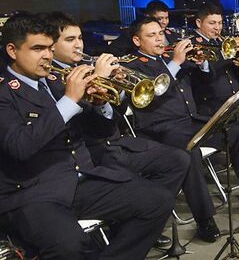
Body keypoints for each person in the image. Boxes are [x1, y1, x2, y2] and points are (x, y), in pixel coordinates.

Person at [0, 13, 173, 259]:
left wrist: (101, 102)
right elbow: (20, 146)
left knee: (158, 201)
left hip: (77, 180)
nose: (47, 56)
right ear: (12, 50)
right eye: (37, 48)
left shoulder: (54, 81)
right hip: (32, 194)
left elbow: (100, 132)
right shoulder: (5, 92)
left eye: (49, 48)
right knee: (72, 247)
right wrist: (70, 100)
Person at [45, 12, 190, 243]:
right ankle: (132, 226)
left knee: (178, 160)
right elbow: (76, 123)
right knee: (139, 186)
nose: (79, 44)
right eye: (70, 40)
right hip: (91, 153)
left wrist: (112, 92)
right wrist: (95, 84)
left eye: (80, 38)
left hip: (112, 142)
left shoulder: (84, 64)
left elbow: (115, 115)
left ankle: (139, 228)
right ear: (51, 46)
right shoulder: (52, 76)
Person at [123, 17, 239, 242]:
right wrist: (175, 63)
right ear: (137, 40)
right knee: (189, 151)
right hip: (162, 129)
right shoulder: (131, 65)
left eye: (159, 33)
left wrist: (202, 62)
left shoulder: (169, 57)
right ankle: (205, 220)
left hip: (192, 120)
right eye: (151, 35)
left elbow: (205, 78)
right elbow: (153, 91)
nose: (158, 38)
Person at [109, 0, 179, 56]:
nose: (165, 22)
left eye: (166, 18)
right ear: (148, 17)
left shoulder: (173, 35)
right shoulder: (133, 33)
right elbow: (113, 51)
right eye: (160, 18)